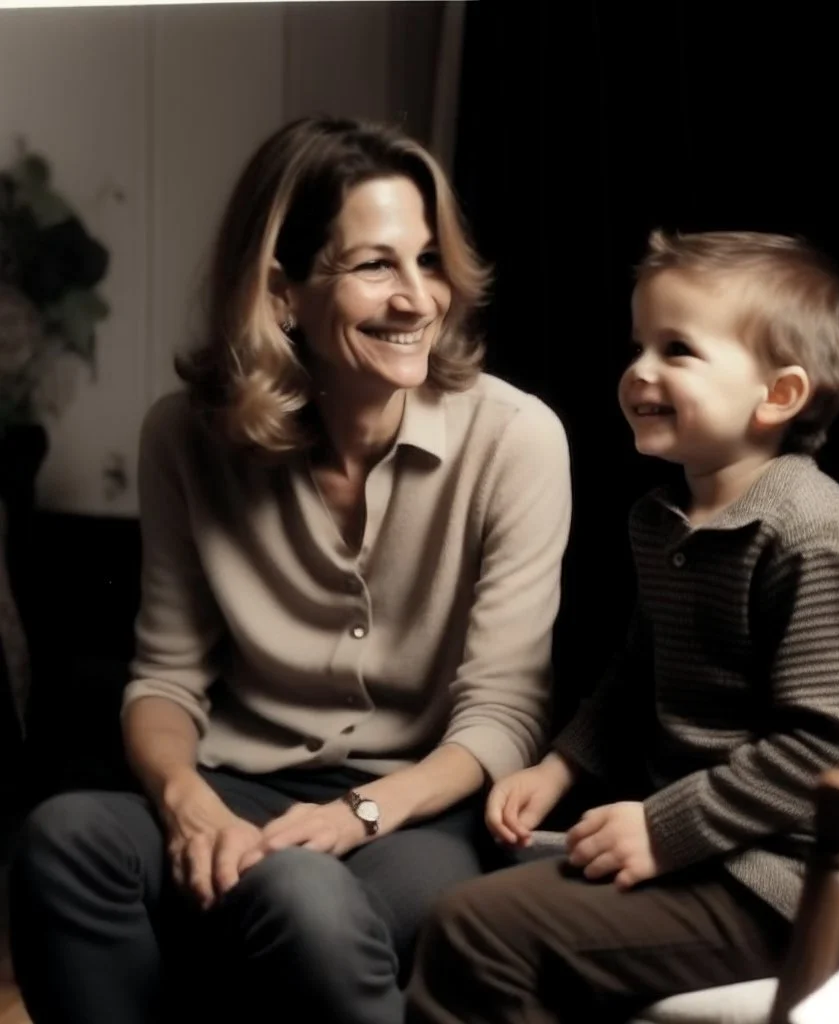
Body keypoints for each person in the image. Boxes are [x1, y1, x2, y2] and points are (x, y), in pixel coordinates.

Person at [9, 117, 572, 1024]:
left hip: (417, 810)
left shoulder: (517, 440)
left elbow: (505, 711)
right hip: (238, 784)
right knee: (63, 839)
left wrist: (359, 815)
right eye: (375, 265)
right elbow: (165, 677)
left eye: (427, 261)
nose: (419, 299)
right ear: (282, 296)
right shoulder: (184, 436)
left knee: (298, 895)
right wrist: (188, 801)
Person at [406, 230, 839, 1024]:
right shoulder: (667, 519)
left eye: (677, 349)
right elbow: (635, 673)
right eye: (638, 344)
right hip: (706, 849)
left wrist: (662, 827)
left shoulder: (809, 535)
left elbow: (835, 748)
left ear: (778, 395)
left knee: (473, 929)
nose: (639, 371)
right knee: (463, 880)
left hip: (786, 884)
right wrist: (560, 767)